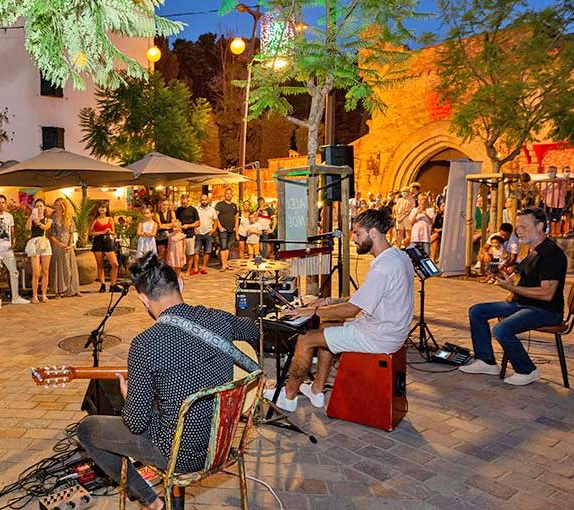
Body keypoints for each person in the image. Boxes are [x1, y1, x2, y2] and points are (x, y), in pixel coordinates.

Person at [76, 253, 258, 510]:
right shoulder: (217, 319)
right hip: (222, 442)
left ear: (143, 298)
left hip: (177, 455)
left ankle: (151, 501)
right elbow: (252, 330)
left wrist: (129, 398)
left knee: (87, 428)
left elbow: (136, 423)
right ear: (181, 284)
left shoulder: (145, 344)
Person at [264, 208, 414, 411]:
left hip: (379, 336)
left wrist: (310, 312)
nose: (354, 239)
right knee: (328, 325)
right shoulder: (399, 257)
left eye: (357, 233)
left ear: (373, 233)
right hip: (391, 330)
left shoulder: (382, 268)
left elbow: (351, 310)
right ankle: (316, 391)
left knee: (306, 339)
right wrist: (326, 301)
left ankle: (289, 396)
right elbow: (365, 299)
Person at [460, 208, 567, 386]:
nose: (518, 231)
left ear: (540, 226)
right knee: (477, 311)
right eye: (518, 227)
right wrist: (508, 280)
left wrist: (512, 288)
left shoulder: (551, 253)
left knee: (502, 329)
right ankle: (486, 361)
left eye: (523, 227)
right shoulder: (533, 251)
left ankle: (527, 370)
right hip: (523, 304)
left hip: (545, 310)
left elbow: (547, 294)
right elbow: (520, 277)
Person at [0, 194, 30, 309]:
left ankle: (15, 297)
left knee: (14, 273)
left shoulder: (9, 216)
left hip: (8, 250)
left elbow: (12, 231)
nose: (1, 204)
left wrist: (13, 243)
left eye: (3, 202)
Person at [48, 197, 81, 298]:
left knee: (70, 266)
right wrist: (59, 244)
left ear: (63, 206)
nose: (57, 206)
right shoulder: (51, 218)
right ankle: (59, 291)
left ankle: (74, 289)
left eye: (59, 205)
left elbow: (71, 232)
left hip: (68, 244)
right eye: (56, 204)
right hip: (57, 244)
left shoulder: (68, 217)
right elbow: (50, 235)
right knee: (59, 266)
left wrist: (70, 244)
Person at [25, 198, 53, 303]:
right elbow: (27, 228)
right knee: (36, 272)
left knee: (45, 271)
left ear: (44, 207)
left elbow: (46, 228)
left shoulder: (48, 219)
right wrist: (31, 218)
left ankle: (44, 294)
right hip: (34, 243)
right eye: (37, 206)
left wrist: (39, 223)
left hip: (44, 243)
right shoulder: (32, 219)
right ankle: (35, 295)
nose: (39, 208)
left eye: (41, 206)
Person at [89, 201, 120, 293]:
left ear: (106, 209)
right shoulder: (95, 219)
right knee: (100, 264)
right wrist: (100, 232)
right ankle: (102, 284)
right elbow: (90, 233)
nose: (102, 209)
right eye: (100, 207)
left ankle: (113, 284)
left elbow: (114, 232)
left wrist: (109, 231)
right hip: (98, 241)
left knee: (115, 264)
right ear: (98, 209)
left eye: (104, 207)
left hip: (108, 241)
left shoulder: (110, 219)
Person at [192, 194, 217, 275]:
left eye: (205, 200)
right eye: (202, 200)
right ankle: (195, 268)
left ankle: (203, 268)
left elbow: (215, 220)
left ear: (208, 200)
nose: (204, 201)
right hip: (198, 232)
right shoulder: (196, 209)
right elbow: (193, 220)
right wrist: (194, 229)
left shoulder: (212, 210)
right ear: (200, 200)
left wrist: (213, 230)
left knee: (207, 251)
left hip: (208, 233)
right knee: (196, 251)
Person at [215, 188, 239, 272]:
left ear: (232, 195)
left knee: (228, 247)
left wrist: (236, 229)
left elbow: (236, 217)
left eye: (230, 193)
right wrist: (220, 227)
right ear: (224, 195)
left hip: (231, 230)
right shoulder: (220, 204)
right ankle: (223, 265)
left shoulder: (234, 205)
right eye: (227, 193)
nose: (228, 195)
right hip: (223, 230)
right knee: (223, 247)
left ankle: (226, 264)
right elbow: (215, 217)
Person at [175, 194, 200, 274]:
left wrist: (188, 226)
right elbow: (176, 220)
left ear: (188, 200)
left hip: (190, 234)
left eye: (185, 203)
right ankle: (180, 268)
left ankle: (188, 270)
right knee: (180, 253)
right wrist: (179, 226)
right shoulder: (178, 210)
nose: (183, 205)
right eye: (182, 203)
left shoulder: (193, 210)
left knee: (189, 253)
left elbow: (198, 223)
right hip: (180, 235)